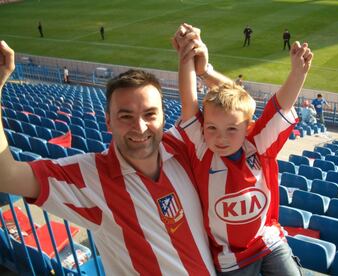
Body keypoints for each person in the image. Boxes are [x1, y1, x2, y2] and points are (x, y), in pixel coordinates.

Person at [0, 40, 216, 275]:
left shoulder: (183, 147)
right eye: (126, 116)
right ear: (108, 122)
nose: (140, 127)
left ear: (164, 117)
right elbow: (6, 176)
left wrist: (206, 72)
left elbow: (244, 125)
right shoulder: (90, 175)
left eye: (150, 114)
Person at [173, 23, 312, 275]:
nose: (220, 138)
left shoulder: (258, 144)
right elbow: (189, 102)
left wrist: (297, 74)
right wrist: (185, 55)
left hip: (267, 241)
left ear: (247, 127)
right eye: (212, 128)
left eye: (231, 130)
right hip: (230, 257)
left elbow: (280, 105)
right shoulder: (202, 150)